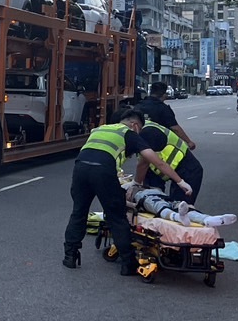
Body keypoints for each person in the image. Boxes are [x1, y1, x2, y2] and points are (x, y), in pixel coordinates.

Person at [62, 106, 193, 274]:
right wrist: (181, 182)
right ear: (135, 125)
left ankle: (70, 256)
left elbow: (96, 153)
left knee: (78, 212)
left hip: (80, 170)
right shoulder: (130, 133)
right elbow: (156, 161)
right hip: (103, 172)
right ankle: (128, 263)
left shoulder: (100, 128)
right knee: (117, 216)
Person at [134, 114, 204, 202]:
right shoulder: (143, 126)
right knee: (153, 199)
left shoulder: (147, 133)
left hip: (188, 170)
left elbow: (144, 163)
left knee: (180, 207)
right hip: (163, 172)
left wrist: (135, 184)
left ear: (134, 126)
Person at [127, 183, 237, 227]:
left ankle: (208, 219)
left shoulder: (136, 186)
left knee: (182, 207)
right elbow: (127, 204)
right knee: (160, 206)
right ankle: (179, 217)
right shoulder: (133, 193)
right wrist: (133, 205)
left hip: (162, 197)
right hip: (146, 198)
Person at [139, 81, 198, 153]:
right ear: (163, 95)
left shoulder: (139, 106)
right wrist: (189, 142)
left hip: (141, 143)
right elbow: (175, 128)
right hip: (159, 144)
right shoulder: (163, 109)